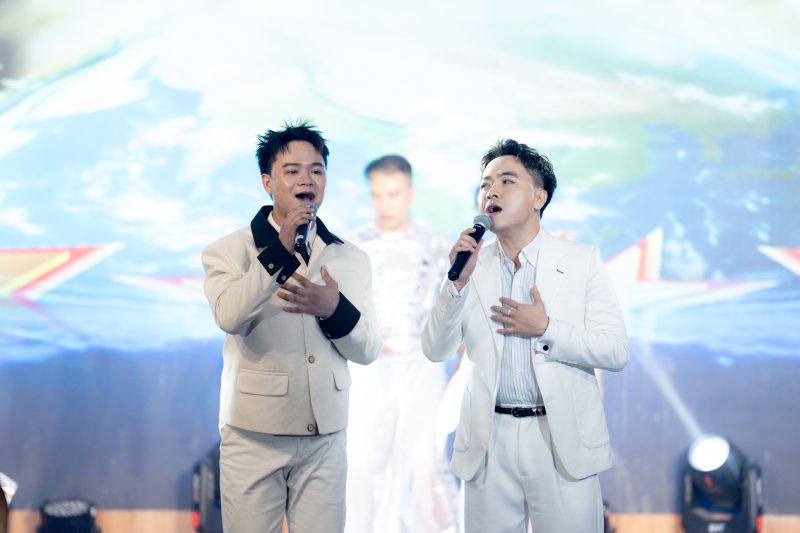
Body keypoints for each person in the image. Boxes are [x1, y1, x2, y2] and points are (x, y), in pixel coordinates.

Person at [422, 139, 629, 532]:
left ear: (538, 198)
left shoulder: (581, 261)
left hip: (558, 440)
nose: (491, 191)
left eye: (506, 181)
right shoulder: (471, 267)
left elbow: (615, 351)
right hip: (489, 441)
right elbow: (435, 349)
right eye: (485, 184)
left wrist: (546, 329)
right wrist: (455, 286)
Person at [201, 121, 381, 533]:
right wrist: (279, 251)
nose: (307, 180)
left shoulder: (351, 258)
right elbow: (230, 315)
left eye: (317, 170)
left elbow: (368, 349)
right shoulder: (228, 251)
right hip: (254, 435)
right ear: (268, 182)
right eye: (293, 170)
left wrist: (334, 309)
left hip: (325, 437)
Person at [346, 155, 459, 533]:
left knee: (423, 458)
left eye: (392, 194)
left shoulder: (436, 245)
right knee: (362, 459)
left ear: (410, 193)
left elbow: (452, 310)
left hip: (420, 366)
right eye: (377, 195)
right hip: (367, 367)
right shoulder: (352, 246)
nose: (385, 204)